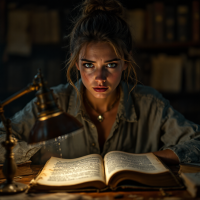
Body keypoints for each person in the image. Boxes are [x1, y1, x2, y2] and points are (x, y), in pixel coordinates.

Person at [0, 0, 200, 165]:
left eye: (111, 64)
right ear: (76, 63)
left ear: (126, 63)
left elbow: (197, 144)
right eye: (89, 65)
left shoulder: (151, 105)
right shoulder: (54, 102)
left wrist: (147, 159)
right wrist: (37, 154)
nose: (100, 77)